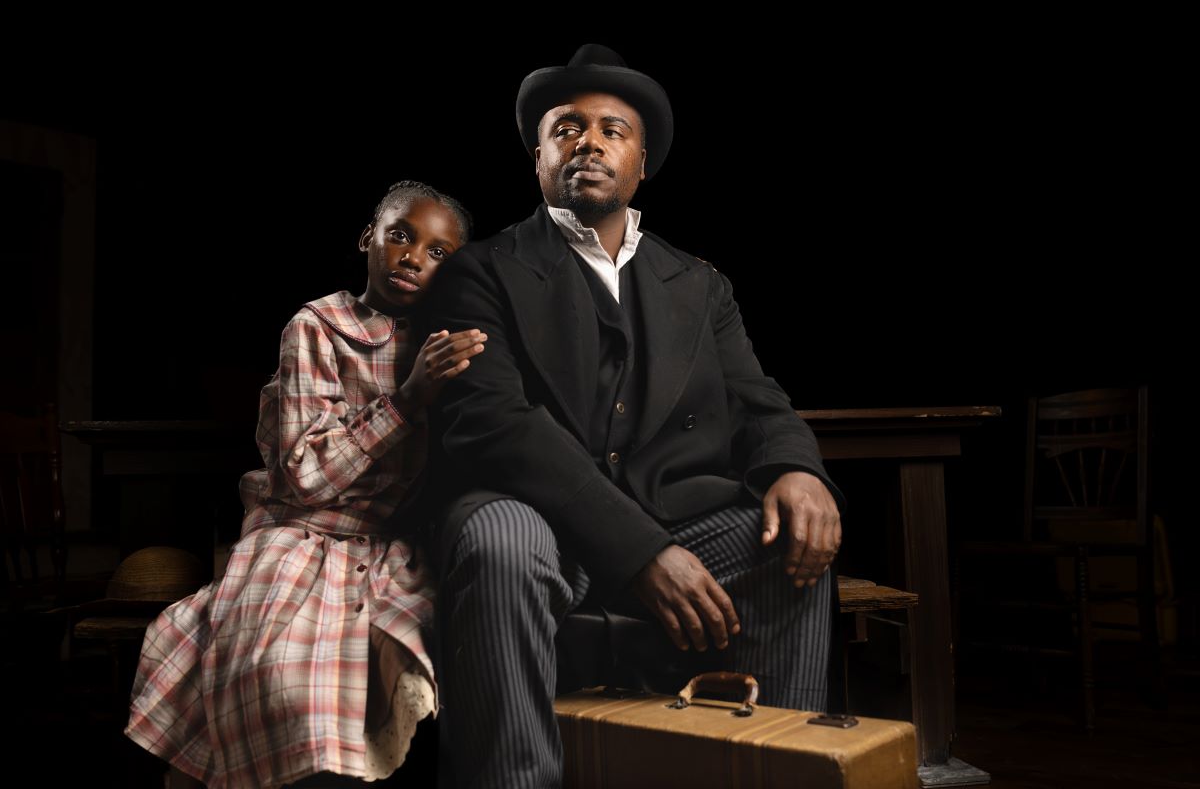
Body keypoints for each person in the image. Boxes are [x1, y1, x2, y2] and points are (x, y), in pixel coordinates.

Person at [426, 45, 846, 788]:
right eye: (566, 128)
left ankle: (776, 770)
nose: (588, 142)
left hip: (677, 514)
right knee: (500, 541)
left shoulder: (700, 285)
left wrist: (795, 468)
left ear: (642, 162)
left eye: (611, 130)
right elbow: (493, 424)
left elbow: (757, 399)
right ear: (538, 157)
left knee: (788, 539)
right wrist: (642, 553)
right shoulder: (478, 272)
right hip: (537, 519)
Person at [125, 180, 487, 788]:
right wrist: (407, 400)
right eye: (400, 236)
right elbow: (306, 476)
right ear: (368, 238)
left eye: (437, 252)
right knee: (283, 676)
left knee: (424, 664)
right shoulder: (317, 326)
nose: (412, 258)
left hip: (396, 546)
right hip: (299, 535)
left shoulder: (445, 341)